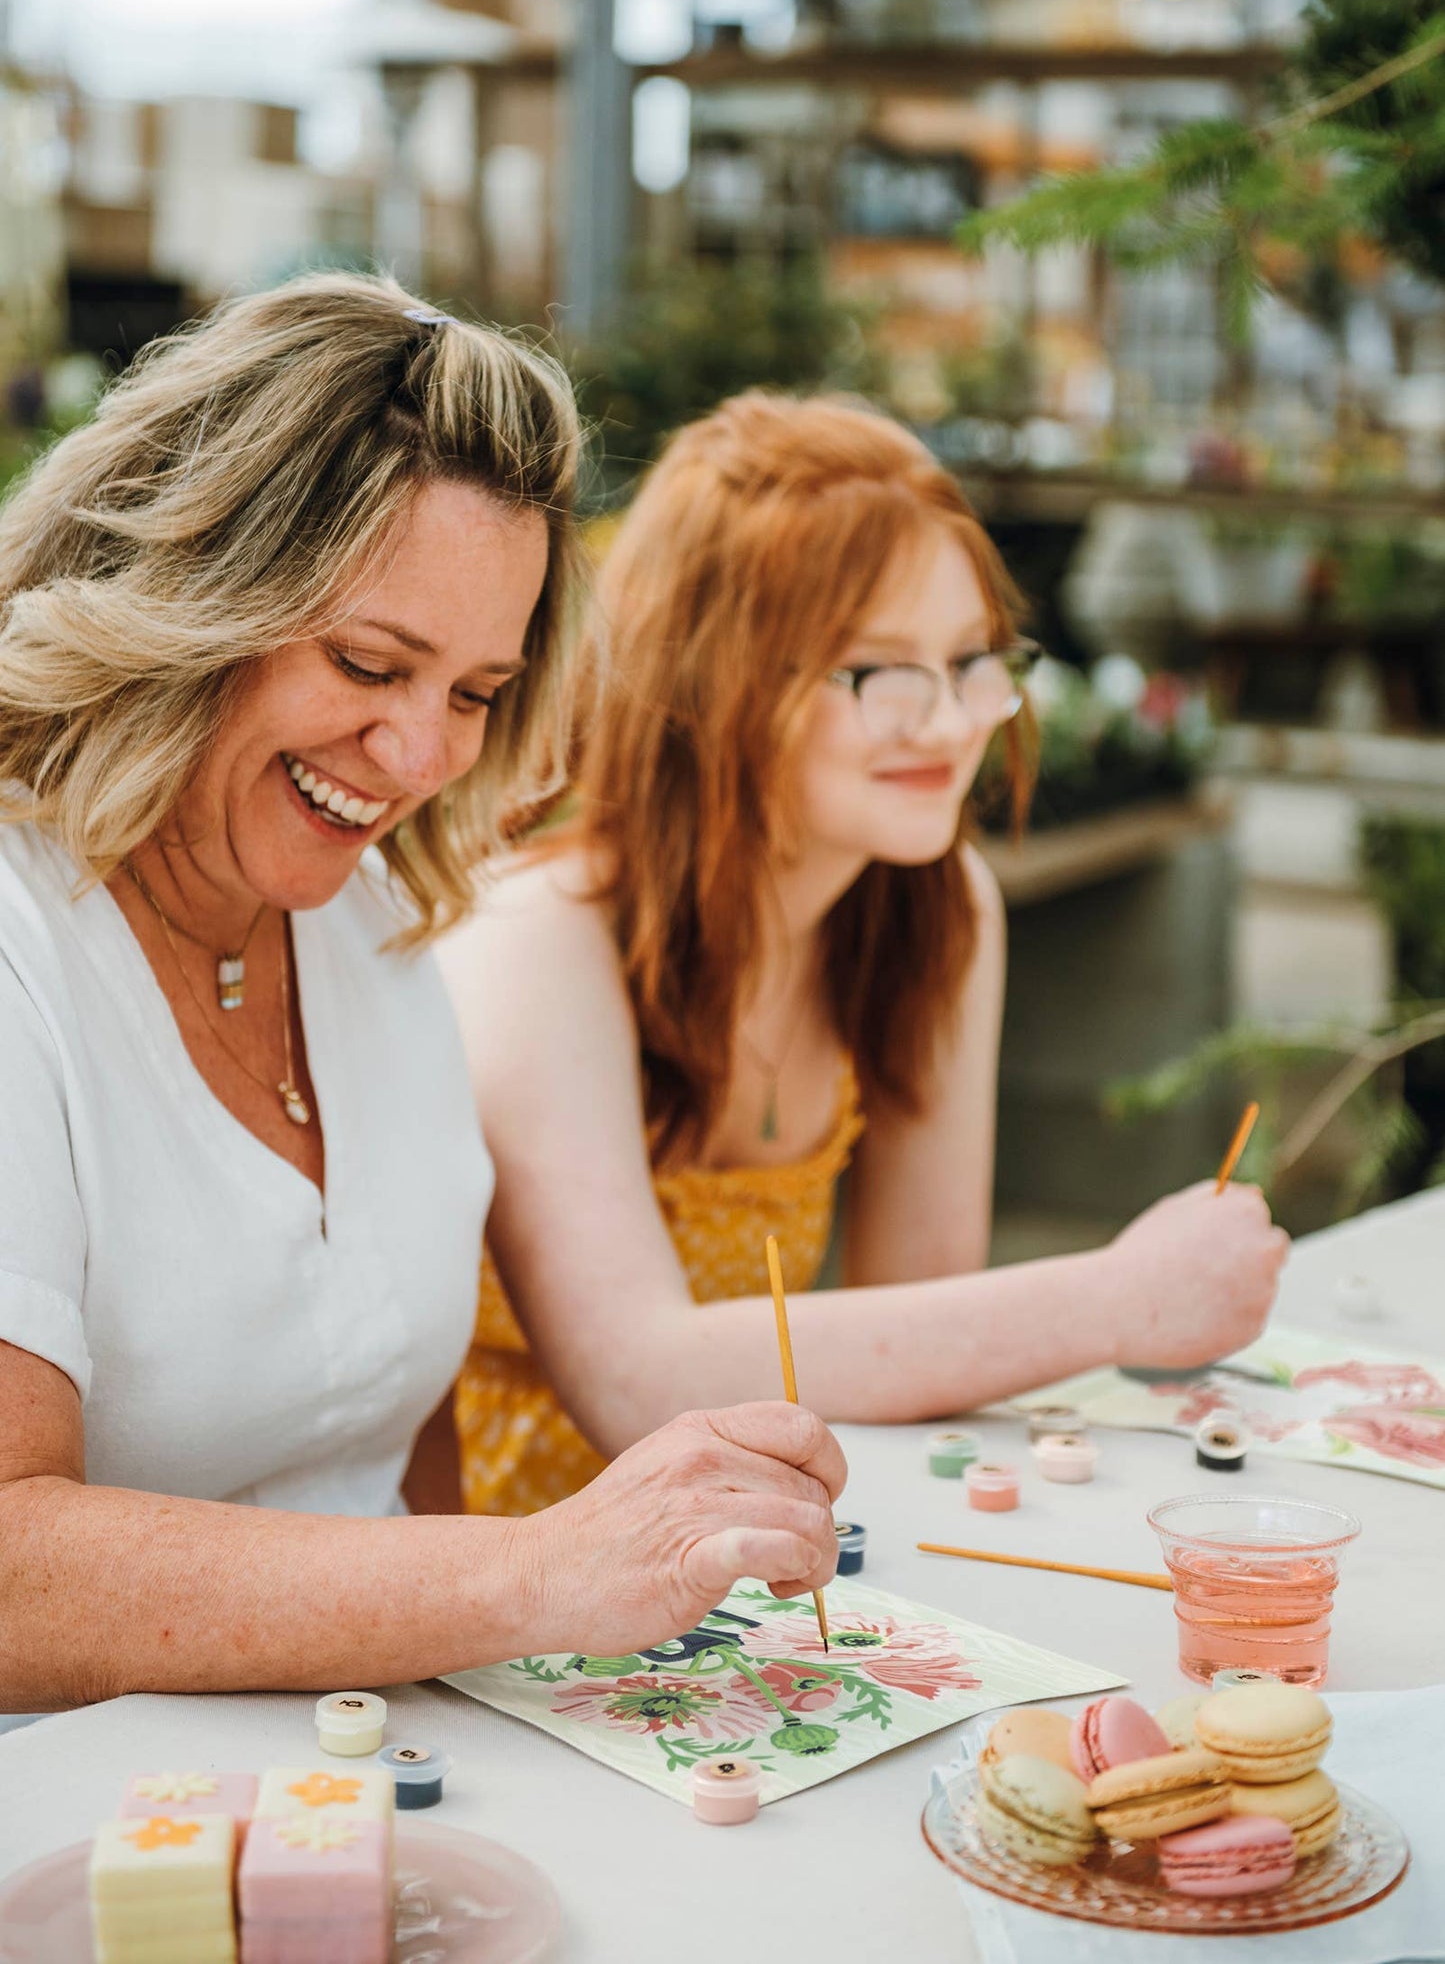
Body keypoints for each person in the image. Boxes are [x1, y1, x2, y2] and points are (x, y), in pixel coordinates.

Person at [0, 281, 842, 1717]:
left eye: (475, 691)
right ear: (197, 592)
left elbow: (402, 1442)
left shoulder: (369, 914)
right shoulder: (26, 936)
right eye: (368, 664)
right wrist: (534, 1573)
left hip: (368, 1772)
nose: (416, 754)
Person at [441, 390, 1289, 1518]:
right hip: (500, 1588)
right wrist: (1121, 1298)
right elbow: (634, 1377)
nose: (944, 722)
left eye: (971, 660)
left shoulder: (934, 911)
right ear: (720, 677)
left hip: (754, 1575)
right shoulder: (542, 934)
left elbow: (926, 1336)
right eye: (878, 671)